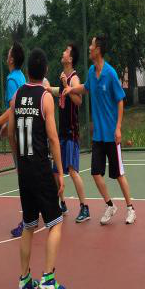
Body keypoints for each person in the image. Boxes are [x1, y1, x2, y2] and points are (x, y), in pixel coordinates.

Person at [8, 48, 66, 289]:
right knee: (56, 223)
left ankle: (24, 280)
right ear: (45, 71)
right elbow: (53, 138)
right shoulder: (45, 98)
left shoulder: (17, 95)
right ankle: (49, 278)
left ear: (27, 70)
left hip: (24, 170)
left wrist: (18, 160)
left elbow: (10, 132)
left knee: (29, 225)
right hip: (41, 169)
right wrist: (60, 172)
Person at [64, 35, 135, 225]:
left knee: (118, 174)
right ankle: (110, 205)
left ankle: (130, 208)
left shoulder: (110, 73)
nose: (89, 47)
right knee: (96, 173)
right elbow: (86, 88)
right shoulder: (91, 71)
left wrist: (118, 128)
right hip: (98, 136)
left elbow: (120, 100)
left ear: (98, 50)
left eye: (92, 45)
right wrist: (71, 90)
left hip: (112, 134)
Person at [0, 42, 26, 237]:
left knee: (23, 177)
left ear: (11, 59)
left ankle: (27, 220)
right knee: (28, 175)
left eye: (9, 52)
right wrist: (6, 124)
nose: (7, 54)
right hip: (26, 129)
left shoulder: (11, 80)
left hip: (18, 133)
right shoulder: (21, 77)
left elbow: (13, 108)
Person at [47, 42, 89, 223]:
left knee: (72, 171)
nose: (63, 52)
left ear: (70, 58)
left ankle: (84, 207)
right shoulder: (63, 76)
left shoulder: (74, 78)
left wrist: (67, 85)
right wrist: (49, 89)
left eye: (66, 51)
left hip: (71, 132)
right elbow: (61, 92)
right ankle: (62, 204)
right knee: (56, 172)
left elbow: (78, 101)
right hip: (62, 132)